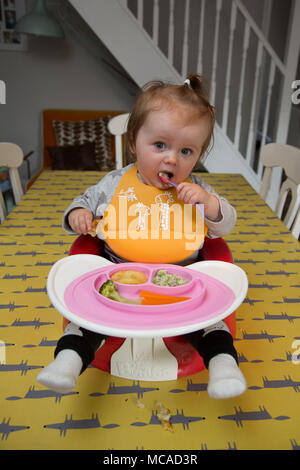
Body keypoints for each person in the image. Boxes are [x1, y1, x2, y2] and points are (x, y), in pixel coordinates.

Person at [37, 74, 246, 399]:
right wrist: (78, 214)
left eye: (187, 151)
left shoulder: (198, 190)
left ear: (199, 154)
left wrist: (210, 205)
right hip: (117, 280)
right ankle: (67, 363)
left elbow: (224, 227)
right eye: (160, 145)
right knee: (85, 320)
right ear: (134, 142)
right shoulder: (115, 182)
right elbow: (84, 201)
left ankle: (223, 368)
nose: (172, 159)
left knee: (212, 323)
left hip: (182, 284)